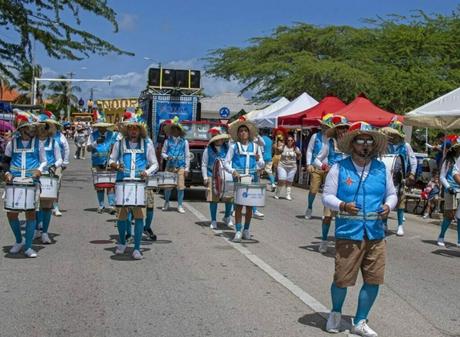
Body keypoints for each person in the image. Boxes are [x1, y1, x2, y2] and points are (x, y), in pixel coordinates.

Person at [322, 121, 397, 337]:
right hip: (349, 232)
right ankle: (335, 313)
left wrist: (388, 206)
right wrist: (342, 205)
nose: (365, 145)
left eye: (369, 141)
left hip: (376, 232)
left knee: (374, 279)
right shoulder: (339, 167)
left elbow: (391, 194)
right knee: (342, 278)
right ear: (352, 144)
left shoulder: (381, 169)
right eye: (361, 141)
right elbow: (327, 196)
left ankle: (361, 320)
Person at [109, 114, 158, 260]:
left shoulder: (147, 144)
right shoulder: (120, 143)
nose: (133, 131)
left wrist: (147, 172)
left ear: (140, 130)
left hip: (139, 184)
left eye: (136, 128)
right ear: (127, 130)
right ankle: (123, 242)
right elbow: (111, 160)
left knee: (138, 217)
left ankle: (137, 248)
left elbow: (155, 163)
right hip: (122, 182)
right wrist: (117, 166)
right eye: (131, 128)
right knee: (121, 217)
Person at [3, 113, 47, 258]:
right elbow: (5, 161)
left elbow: (44, 161)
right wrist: (6, 172)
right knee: (11, 213)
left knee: (30, 213)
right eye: (28, 128)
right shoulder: (12, 143)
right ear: (21, 130)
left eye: (32, 128)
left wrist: (39, 170)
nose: (31, 131)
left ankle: (28, 246)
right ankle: (18, 240)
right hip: (14, 181)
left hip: (31, 182)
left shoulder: (38, 144)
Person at [224, 117, 264, 242]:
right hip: (239, 178)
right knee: (239, 206)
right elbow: (226, 162)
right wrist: (233, 171)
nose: (243, 133)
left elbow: (262, 163)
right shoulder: (234, 146)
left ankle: (246, 229)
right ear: (238, 133)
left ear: (249, 133)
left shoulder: (256, 146)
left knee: (250, 206)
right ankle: (238, 230)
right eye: (240, 131)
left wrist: (258, 160)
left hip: (252, 178)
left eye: (245, 131)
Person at [313, 115, 349, 253]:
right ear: (336, 130)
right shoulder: (330, 143)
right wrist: (324, 167)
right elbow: (317, 159)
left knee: (344, 213)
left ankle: (342, 242)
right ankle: (323, 240)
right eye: (340, 128)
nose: (343, 131)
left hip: (347, 182)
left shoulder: (352, 145)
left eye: (345, 128)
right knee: (328, 213)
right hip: (332, 180)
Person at [380, 120, 417, 236]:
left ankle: (400, 225)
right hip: (386, 177)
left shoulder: (405, 146)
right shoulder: (385, 145)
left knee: (401, 202)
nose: (392, 136)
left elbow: (413, 160)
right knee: (385, 201)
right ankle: (384, 223)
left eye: (394, 134)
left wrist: (412, 173)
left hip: (400, 177)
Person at [35, 113, 63, 244]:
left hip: (48, 176)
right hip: (34, 176)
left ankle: (45, 232)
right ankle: (36, 229)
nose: (42, 130)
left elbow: (59, 159)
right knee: (34, 205)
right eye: (39, 127)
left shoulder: (54, 142)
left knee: (46, 206)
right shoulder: (32, 142)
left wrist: (53, 166)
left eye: (44, 127)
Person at [201, 127, 233, 229]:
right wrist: (205, 177)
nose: (219, 139)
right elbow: (204, 164)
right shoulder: (208, 150)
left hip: (227, 176)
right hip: (212, 175)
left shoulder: (228, 147)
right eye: (216, 137)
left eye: (219, 137)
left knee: (229, 198)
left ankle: (227, 217)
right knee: (213, 199)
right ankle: (213, 220)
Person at [86, 112, 117, 214]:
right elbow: (88, 148)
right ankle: (101, 205)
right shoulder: (92, 136)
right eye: (99, 127)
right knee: (99, 185)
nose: (101, 129)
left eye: (103, 127)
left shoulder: (113, 135)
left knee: (110, 184)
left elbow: (116, 148)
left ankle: (112, 205)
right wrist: (96, 143)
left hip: (109, 162)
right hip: (96, 162)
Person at [305, 114, 333, 218]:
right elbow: (309, 150)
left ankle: (326, 213)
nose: (325, 128)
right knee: (313, 189)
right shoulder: (315, 136)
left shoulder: (332, 140)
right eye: (323, 126)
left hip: (329, 169)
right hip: (316, 167)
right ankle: (309, 207)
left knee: (328, 192)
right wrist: (308, 164)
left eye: (327, 126)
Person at [161, 117, 190, 214]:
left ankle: (180, 205)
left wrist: (187, 169)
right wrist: (167, 157)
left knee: (181, 187)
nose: (174, 130)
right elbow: (163, 153)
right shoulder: (167, 141)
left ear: (179, 130)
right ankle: (166, 202)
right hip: (169, 166)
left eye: (176, 129)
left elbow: (187, 155)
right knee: (168, 186)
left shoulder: (184, 142)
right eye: (173, 128)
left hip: (181, 166)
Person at [437, 140, 460, 247]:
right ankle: (441, 236)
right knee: (449, 215)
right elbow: (442, 176)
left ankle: (459, 240)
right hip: (451, 190)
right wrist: (449, 187)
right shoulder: (449, 161)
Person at [51, 113, 70, 217]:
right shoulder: (41, 135)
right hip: (43, 165)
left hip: (57, 165)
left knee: (56, 186)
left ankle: (55, 206)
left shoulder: (60, 136)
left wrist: (65, 162)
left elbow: (66, 149)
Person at [274, 133, 301, 200]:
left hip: (292, 167)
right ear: (286, 141)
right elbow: (277, 152)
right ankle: (277, 193)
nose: (290, 142)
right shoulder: (283, 147)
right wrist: (276, 148)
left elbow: (298, 158)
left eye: (291, 140)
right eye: (288, 140)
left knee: (289, 181)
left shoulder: (296, 148)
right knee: (282, 179)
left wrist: (299, 154)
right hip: (282, 166)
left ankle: (288, 195)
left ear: (293, 141)